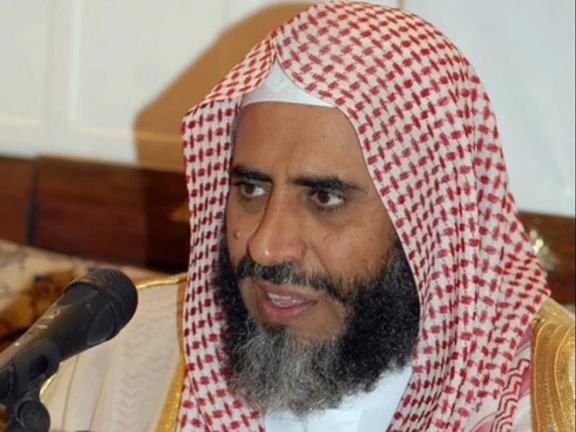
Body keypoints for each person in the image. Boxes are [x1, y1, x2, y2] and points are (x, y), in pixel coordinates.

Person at [40, 1, 574, 431]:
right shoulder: (117, 354)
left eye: (324, 198)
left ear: (428, 224)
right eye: (250, 188)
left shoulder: (553, 401)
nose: (265, 246)